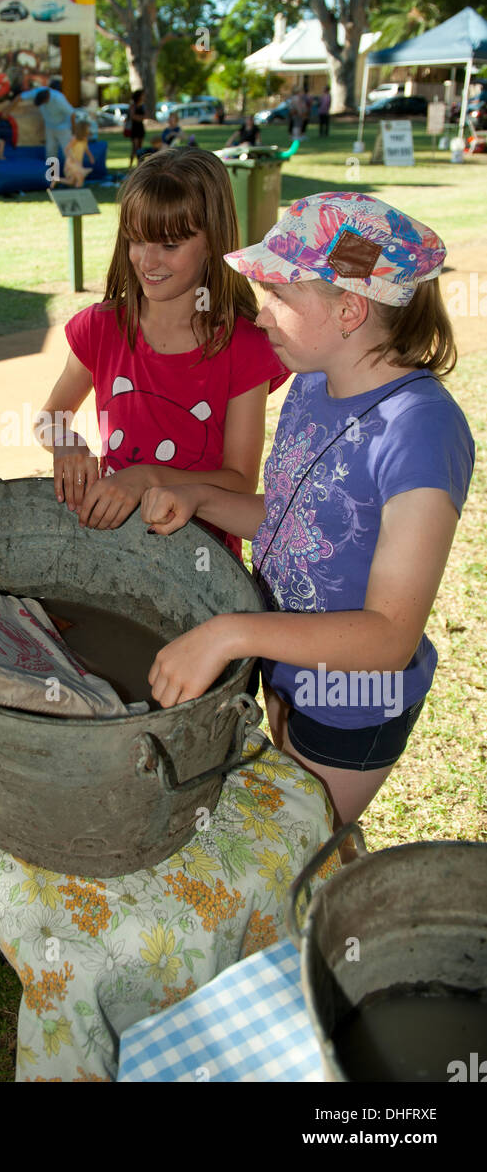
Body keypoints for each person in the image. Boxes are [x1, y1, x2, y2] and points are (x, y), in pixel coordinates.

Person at [141, 192, 474, 857]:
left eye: (277, 297)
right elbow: (296, 516)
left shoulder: (420, 431)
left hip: (353, 700)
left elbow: (386, 637)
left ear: (349, 309)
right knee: (311, 822)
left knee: (298, 846)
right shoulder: (313, 384)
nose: (259, 317)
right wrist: (200, 499)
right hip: (289, 663)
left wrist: (228, 633)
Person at [33, 147, 288, 553]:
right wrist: (67, 443)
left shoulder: (244, 346)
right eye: (136, 240)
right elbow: (49, 418)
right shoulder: (101, 328)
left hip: (202, 558)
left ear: (213, 243)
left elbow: (239, 481)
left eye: (169, 245)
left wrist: (148, 477)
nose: (147, 261)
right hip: (116, 548)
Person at [12, 83, 75, 160]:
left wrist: (74, 130)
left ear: (46, 99)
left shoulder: (59, 99)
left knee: (67, 149)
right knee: (50, 149)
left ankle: (72, 169)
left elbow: (72, 114)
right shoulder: (37, 92)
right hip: (49, 125)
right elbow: (20, 97)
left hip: (62, 126)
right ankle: (52, 170)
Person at [62, 119, 95, 186]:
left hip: (78, 162)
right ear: (82, 129)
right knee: (80, 177)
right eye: (87, 128)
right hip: (72, 162)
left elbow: (86, 149)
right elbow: (66, 149)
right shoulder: (75, 139)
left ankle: (56, 180)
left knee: (71, 181)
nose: (89, 130)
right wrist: (71, 158)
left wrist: (90, 157)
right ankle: (78, 193)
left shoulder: (84, 139)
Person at [125, 88, 146, 167]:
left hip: (140, 127)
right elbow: (133, 116)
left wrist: (139, 117)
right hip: (134, 128)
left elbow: (145, 116)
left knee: (140, 148)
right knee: (135, 148)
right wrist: (140, 117)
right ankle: (130, 165)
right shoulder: (133, 105)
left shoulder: (142, 106)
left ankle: (139, 165)